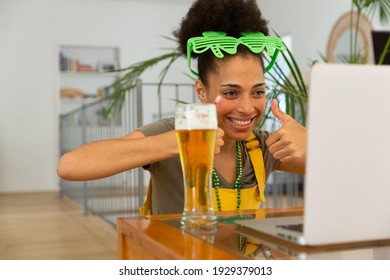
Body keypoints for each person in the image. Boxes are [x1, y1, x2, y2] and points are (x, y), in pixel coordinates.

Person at [57, 0, 306, 215]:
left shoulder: (262, 148)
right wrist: (175, 143)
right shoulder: (171, 132)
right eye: (231, 92)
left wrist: (310, 142)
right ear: (201, 91)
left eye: (258, 92)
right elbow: (70, 165)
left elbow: (338, 173)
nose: (247, 107)